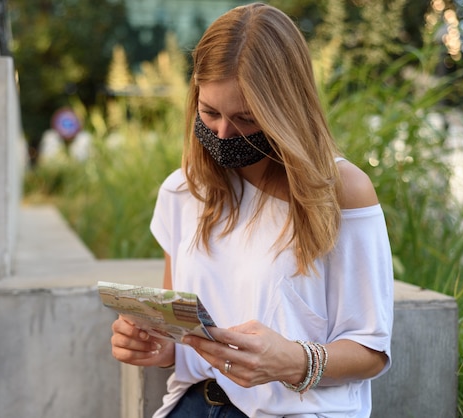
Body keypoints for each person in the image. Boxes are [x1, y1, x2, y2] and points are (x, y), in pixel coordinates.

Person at [110, 3, 394, 417]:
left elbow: (372, 350)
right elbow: (181, 330)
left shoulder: (340, 191)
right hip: (192, 403)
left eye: (245, 117)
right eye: (209, 112)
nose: (223, 133)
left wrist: (294, 360)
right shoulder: (182, 190)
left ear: (284, 111)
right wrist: (157, 345)